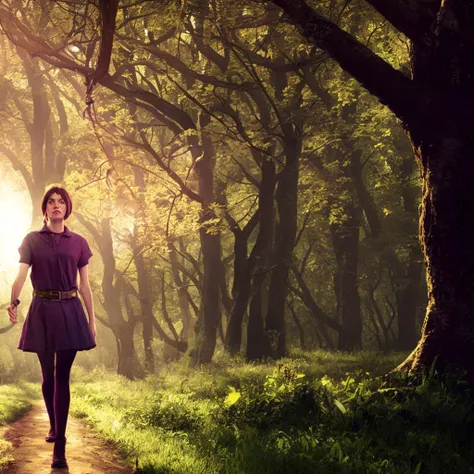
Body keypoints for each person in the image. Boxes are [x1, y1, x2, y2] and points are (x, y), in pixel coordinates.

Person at [6, 185, 96, 469]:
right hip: (42, 309)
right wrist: (13, 301)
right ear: (44, 208)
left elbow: (86, 286)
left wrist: (92, 321)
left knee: (62, 376)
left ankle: (60, 447)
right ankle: (54, 425)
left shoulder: (79, 242)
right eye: (51, 202)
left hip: (70, 310)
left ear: (67, 208)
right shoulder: (32, 240)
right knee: (47, 375)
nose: (56, 205)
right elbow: (20, 275)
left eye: (61, 202)